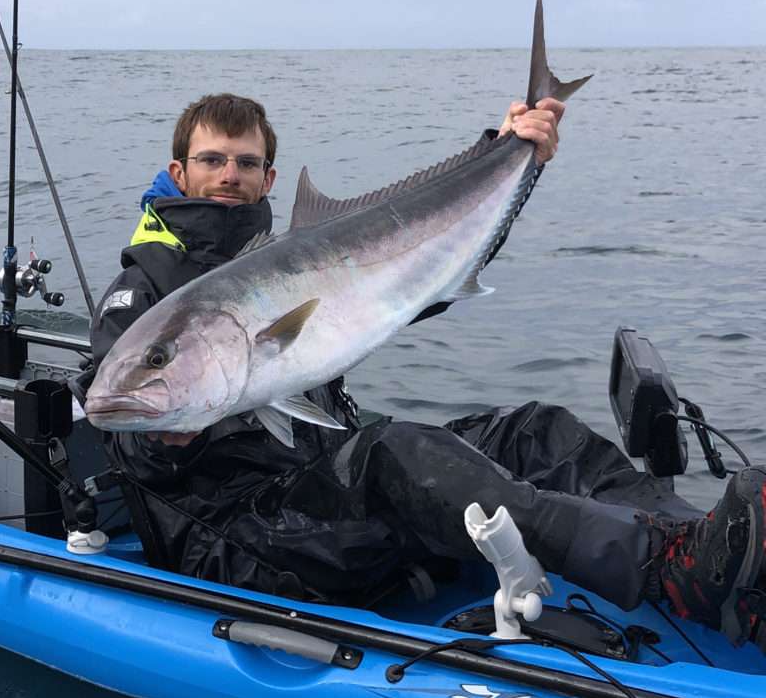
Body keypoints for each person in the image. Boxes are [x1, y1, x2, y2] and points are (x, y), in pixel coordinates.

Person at [85, 93, 766, 651]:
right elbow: (118, 418)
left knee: (533, 431)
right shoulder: (141, 295)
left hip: (326, 496)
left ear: (269, 178)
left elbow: (422, 275)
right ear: (179, 174)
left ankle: (708, 554)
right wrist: (160, 436)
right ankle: (651, 565)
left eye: (246, 161)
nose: (229, 174)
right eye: (211, 159)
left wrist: (509, 151)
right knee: (396, 451)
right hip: (243, 539)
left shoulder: (298, 255)